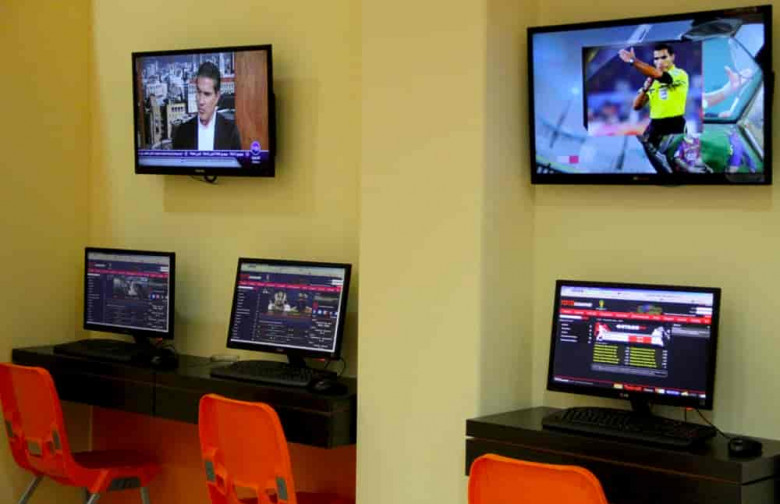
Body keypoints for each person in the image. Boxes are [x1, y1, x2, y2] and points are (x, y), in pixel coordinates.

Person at [618, 43, 689, 148]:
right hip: (655, 125)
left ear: (672, 57)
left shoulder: (679, 74)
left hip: (674, 124)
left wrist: (633, 61)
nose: (660, 61)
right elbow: (636, 106)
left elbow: (659, 75)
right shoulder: (652, 80)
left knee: (673, 155)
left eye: (664, 57)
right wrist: (645, 89)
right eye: (656, 58)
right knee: (645, 153)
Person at [172, 62, 241, 150]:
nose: (201, 101)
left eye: (207, 94)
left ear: (217, 97)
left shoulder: (231, 132)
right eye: (198, 92)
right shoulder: (182, 132)